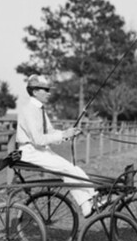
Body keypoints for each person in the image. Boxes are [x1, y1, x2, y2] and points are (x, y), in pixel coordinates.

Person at [16, 74, 97, 216]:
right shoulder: (28, 110)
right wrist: (63, 135)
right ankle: (87, 203)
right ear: (35, 91)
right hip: (30, 152)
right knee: (66, 169)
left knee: (73, 168)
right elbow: (38, 139)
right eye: (46, 90)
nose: (49, 93)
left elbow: (50, 132)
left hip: (40, 150)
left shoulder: (40, 109)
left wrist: (67, 133)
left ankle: (93, 198)